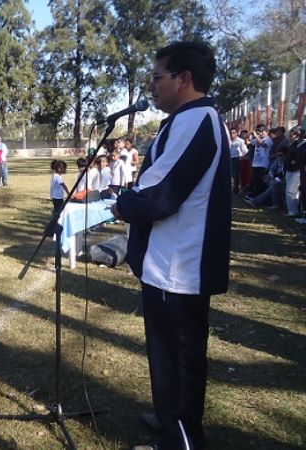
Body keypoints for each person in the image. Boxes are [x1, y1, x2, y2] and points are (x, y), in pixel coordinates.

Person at [111, 42, 229, 450]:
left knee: (176, 358)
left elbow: (159, 195)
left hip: (179, 266)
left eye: (157, 76)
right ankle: (173, 422)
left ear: (184, 79)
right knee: (172, 358)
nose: (152, 85)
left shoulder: (197, 119)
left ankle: (181, 438)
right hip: (170, 262)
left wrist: (122, 203)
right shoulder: (186, 120)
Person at [229, 127, 248, 194]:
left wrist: (242, 157)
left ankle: (236, 190)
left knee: (236, 175)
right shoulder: (229, 140)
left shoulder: (240, 141)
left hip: (237, 159)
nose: (232, 134)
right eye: (230, 133)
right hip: (230, 159)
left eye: (233, 133)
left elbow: (245, 151)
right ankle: (233, 189)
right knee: (232, 175)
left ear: (237, 133)